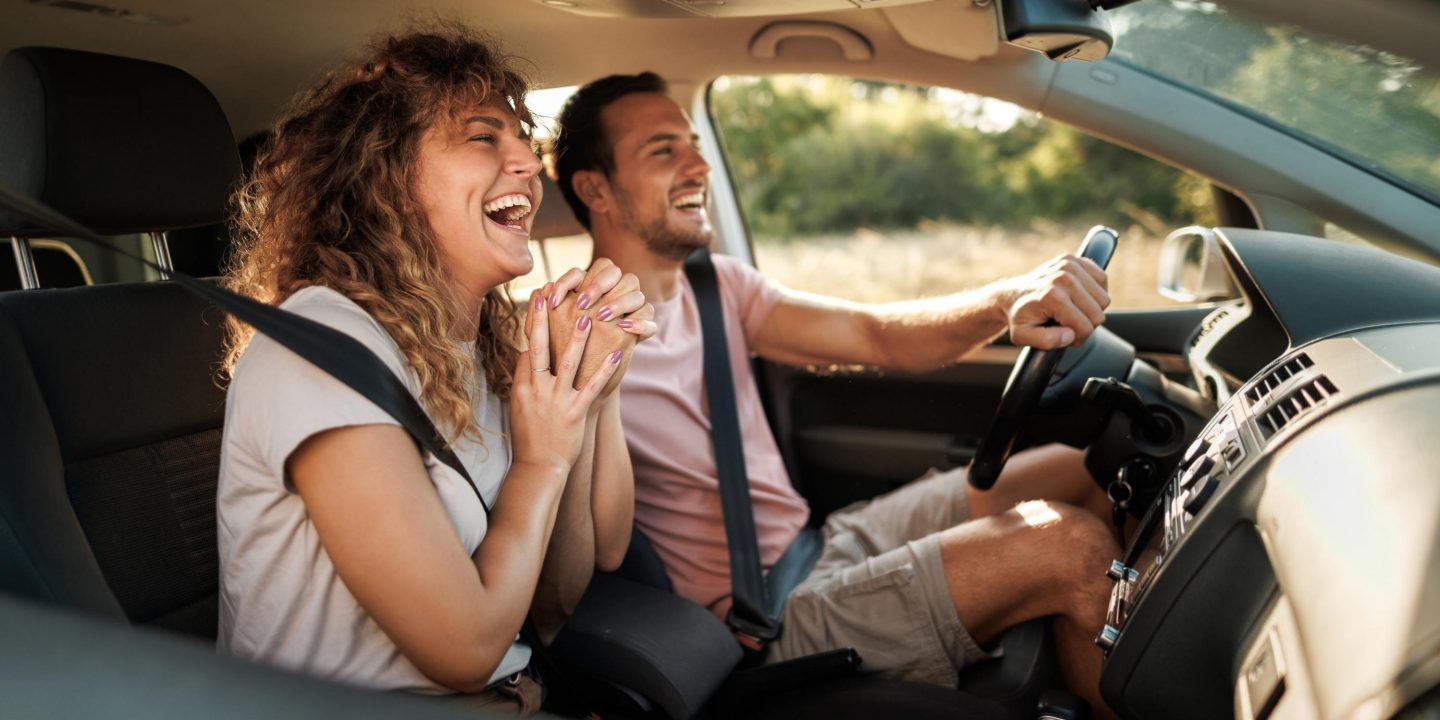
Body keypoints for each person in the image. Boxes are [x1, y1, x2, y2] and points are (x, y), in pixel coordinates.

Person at [548, 72, 1122, 716]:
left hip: (821, 542)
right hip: (764, 619)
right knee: (1071, 547)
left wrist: (1003, 298)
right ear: (594, 188)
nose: (699, 164)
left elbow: (875, 336)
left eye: (693, 142)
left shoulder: (718, 288)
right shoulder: (570, 339)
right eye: (664, 150)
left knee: (1085, 470)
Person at [214, 28, 653, 714]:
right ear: (385, 176)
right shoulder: (321, 349)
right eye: (484, 137)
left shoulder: (474, 349)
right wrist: (539, 463)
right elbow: (467, 651)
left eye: (522, 138)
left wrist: (586, 385)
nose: (529, 164)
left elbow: (551, 608)